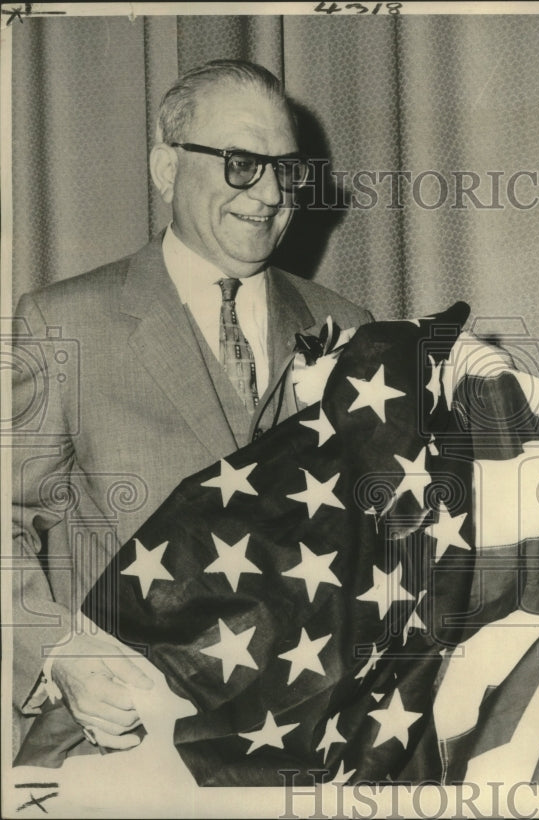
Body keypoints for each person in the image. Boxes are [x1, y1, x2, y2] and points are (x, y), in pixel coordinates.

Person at [10, 59, 371, 755]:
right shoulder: (66, 324)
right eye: (241, 163)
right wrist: (60, 653)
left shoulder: (349, 327)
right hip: (121, 745)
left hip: (303, 747)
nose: (268, 193)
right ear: (166, 169)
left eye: (286, 170)